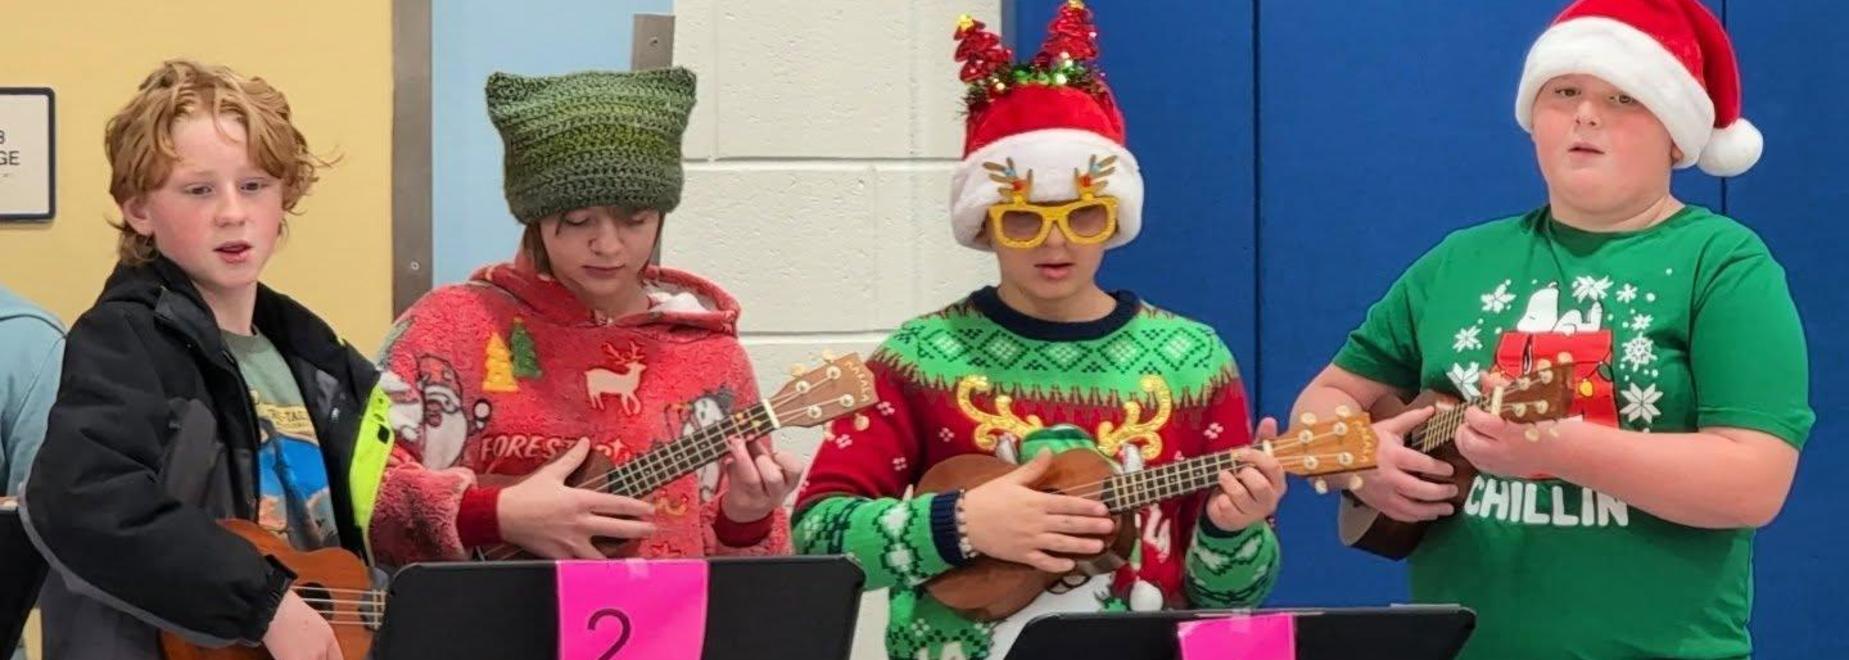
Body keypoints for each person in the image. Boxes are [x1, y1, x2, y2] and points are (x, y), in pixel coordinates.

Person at [1292, 1, 1812, 658]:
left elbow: (1753, 481)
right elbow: (1324, 400)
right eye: (1564, 91)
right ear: (1532, 119)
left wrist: (1559, 451)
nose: (1585, 114)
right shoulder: (1458, 261)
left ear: (1677, 135)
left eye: (1624, 97)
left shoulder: (1725, 264)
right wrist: (1357, 461)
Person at [792, 4, 1286, 659]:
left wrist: (1232, 531)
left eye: (1080, 217)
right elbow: (818, 534)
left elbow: (1226, 604)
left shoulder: (1193, 361)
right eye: (1023, 221)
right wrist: (963, 524)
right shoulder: (918, 358)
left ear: (1113, 219)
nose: (1054, 244)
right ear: (984, 224)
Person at [21, 59, 403, 660]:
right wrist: (263, 602)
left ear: (285, 197)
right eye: (199, 190)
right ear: (138, 210)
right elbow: (81, 498)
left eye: (254, 186)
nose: (233, 212)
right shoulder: (124, 340)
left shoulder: (316, 356)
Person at [367, 66, 800, 565]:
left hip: (659, 636)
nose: (609, 245)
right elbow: (366, 499)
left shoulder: (710, 358)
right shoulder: (451, 327)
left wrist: (745, 522)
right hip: (483, 633)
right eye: (577, 221)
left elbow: (750, 588)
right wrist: (495, 514)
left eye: (635, 219)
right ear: (536, 215)